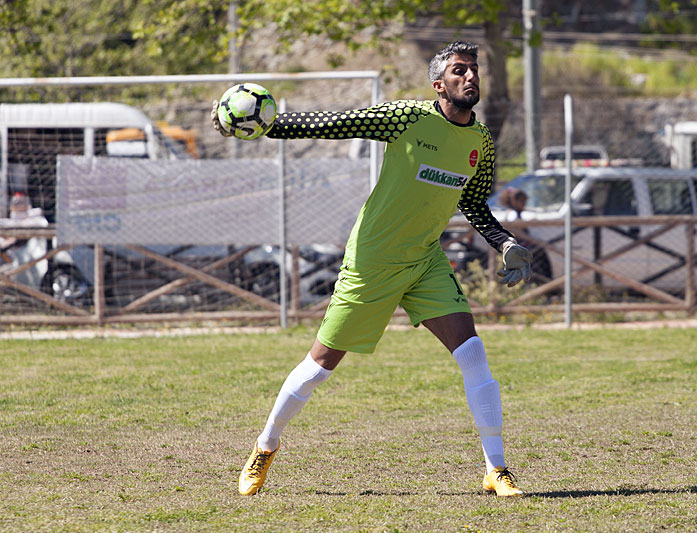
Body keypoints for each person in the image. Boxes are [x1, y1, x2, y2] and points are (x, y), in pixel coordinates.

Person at [212, 41, 534, 497]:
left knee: (473, 354)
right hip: (372, 261)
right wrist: (264, 124)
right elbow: (336, 123)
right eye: (460, 70)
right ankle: (264, 448)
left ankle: (497, 469)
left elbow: (472, 201)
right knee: (320, 365)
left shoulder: (480, 140)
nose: (471, 76)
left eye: (474, 69)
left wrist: (505, 242)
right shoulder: (409, 117)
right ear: (439, 85)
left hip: (424, 260)